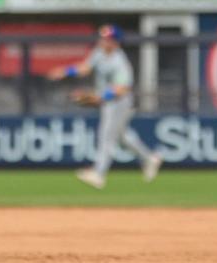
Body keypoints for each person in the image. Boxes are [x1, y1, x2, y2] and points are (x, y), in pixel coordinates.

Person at [54, 24, 162, 190]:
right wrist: (66, 71)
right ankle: (149, 158)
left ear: (116, 42)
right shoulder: (99, 52)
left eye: (107, 39)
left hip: (119, 102)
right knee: (122, 136)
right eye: (102, 38)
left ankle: (99, 173)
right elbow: (85, 68)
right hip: (108, 101)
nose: (103, 41)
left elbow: (122, 88)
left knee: (106, 136)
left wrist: (99, 97)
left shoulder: (120, 62)